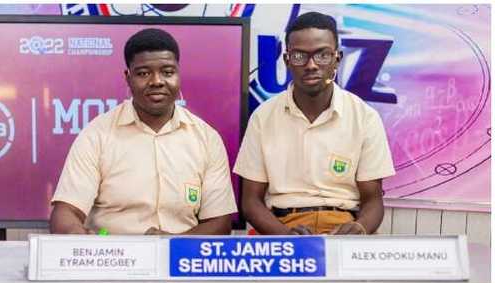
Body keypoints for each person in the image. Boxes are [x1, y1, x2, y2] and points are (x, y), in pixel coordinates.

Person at [49, 28, 236, 235]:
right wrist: (84, 244)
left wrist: (172, 244)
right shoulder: (97, 135)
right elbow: (66, 212)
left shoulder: (206, 138)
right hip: (114, 261)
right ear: (128, 77)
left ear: (178, 74)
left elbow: (219, 224)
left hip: (179, 261)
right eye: (144, 73)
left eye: (167, 72)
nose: (157, 81)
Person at [235, 11, 395, 235]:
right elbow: (250, 202)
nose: (311, 65)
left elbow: (373, 200)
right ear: (287, 60)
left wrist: (359, 228)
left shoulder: (364, 117)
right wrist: (285, 237)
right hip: (281, 228)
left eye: (322, 55)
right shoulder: (263, 117)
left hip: (344, 228)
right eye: (300, 55)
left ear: (337, 59)